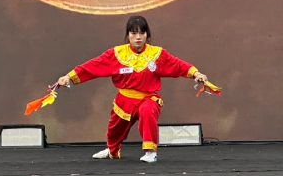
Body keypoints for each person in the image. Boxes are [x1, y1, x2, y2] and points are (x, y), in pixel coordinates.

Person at [56, 15, 209, 163]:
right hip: (124, 99)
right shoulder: (117, 54)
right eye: (133, 33)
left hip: (148, 98)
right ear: (128, 35)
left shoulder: (157, 54)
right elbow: (93, 66)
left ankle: (150, 152)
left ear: (147, 34)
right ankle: (112, 150)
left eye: (142, 33)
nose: (138, 37)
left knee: (147, 111)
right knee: (114, 130)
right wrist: (69, 77)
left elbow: (178, 65)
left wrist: (196, 74)